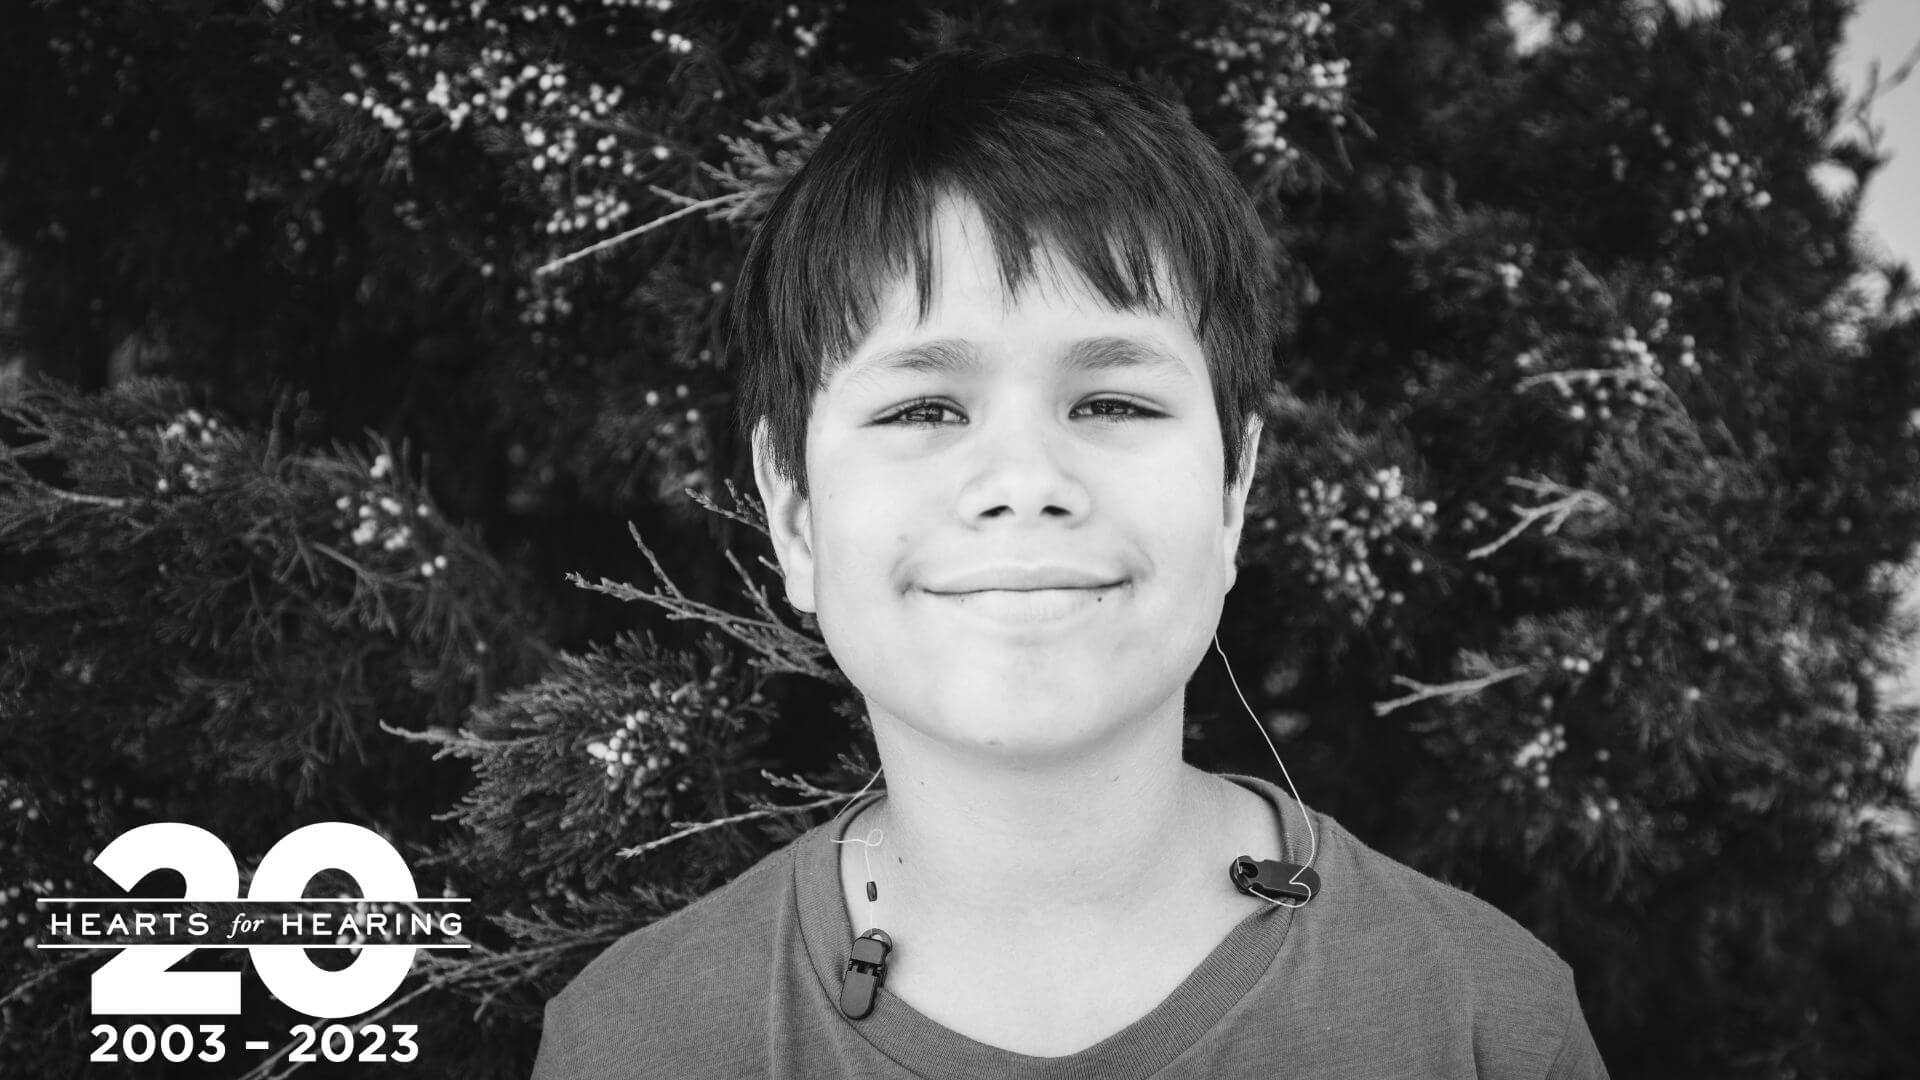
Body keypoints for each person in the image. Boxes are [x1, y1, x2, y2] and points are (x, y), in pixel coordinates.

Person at [531, 49, 1608, 1079]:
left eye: (1112, 402)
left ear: (1232, 491)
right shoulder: (633, 1045)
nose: (1024, 480)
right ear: (796, 514)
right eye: (921, 408)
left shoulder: (1488, 1023)